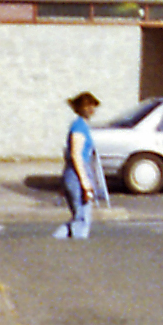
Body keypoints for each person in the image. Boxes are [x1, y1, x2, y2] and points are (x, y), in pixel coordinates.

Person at [53, 92, 108, 239]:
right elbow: (76, 155)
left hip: (75, 174)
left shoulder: (81, 125)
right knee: (82, 218)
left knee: (79, 218)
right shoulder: (78, 127)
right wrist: (85, 183)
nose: (93, 110)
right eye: (90, 106)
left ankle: (55, 240)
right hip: (78, 175)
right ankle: (77, 249)